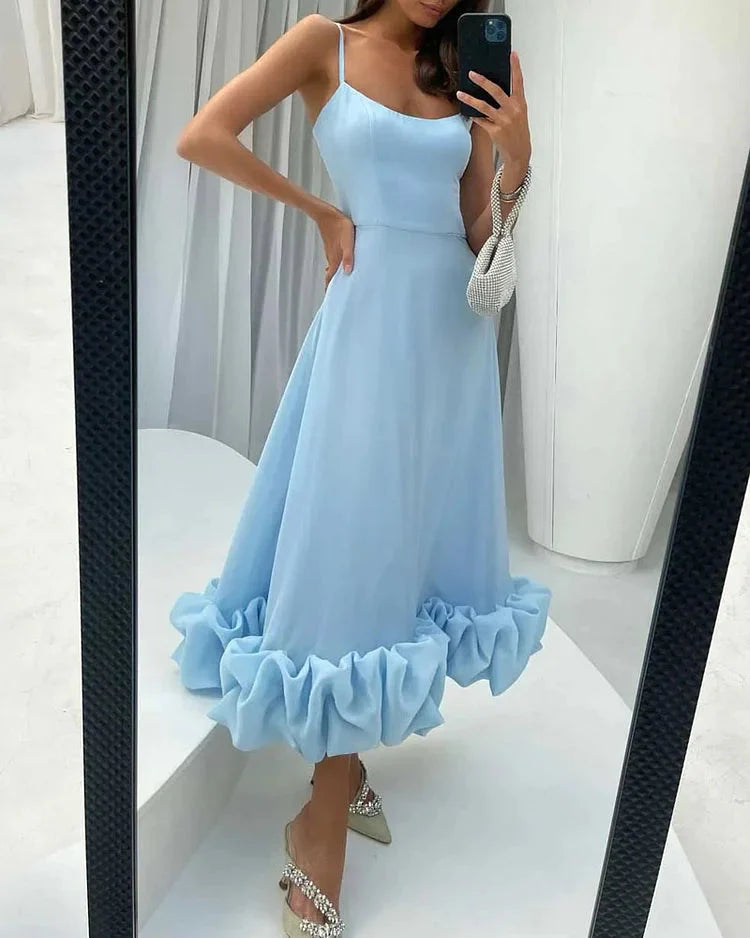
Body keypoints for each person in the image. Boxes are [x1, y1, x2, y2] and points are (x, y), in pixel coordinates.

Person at [169, 2, 551, 934]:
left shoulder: (461, 65)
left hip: (448, 340)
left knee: (401, 549)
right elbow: (201, 135)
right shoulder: (321, 44)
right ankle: (322, 816)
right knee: (353, 551)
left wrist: (517, 157)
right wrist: (320, 211)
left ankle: (340, 779)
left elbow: (476, 236)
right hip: (368, 322)